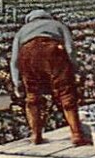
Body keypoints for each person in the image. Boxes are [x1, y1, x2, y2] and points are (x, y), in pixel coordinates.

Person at [10, 9, 89, 146]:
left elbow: (14, 60)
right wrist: (73, 68)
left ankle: (36, 135)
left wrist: (17, 82)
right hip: (53, 52)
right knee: (66, 94)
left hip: (28, 55)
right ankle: (76, 135)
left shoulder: (22, 31)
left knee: (33, 97)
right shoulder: (58, 25)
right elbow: (70, 49)